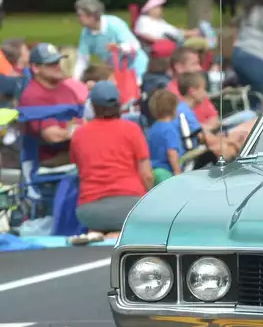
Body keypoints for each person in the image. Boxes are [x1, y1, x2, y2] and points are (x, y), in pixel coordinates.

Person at [69, 81, 153, 236]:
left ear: (93, 107)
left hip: (89, 210)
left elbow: (80, 169)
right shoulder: (132, 130)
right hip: (129, 206)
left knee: (100, 229)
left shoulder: (79, 135)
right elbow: (146, 174)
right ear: (119, 104)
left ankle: (97, 234)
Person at [20, 44, 87, 167]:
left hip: (72, 152)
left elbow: (81, 121)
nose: (58, 66)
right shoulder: (33, 96)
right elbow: (53, 136)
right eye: (51, 63)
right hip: (50, 160)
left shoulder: (65, 89)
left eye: (58, 61)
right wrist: (77, 131)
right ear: (35, 68)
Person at [73, 0, 148, 83]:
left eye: (80, 15)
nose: (78, 19)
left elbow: (135, 46)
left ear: (92, 16)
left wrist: (118, 47)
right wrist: (75, 82)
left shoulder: (114, 24)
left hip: (137, 69)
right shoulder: (86, 33)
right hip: (117, 72)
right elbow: (82, 60)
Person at [146, 89, 185, 181]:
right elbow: (172, 152)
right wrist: (177, 172)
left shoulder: (152, 129)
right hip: (166, 173)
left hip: (153, 171)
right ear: (173, 109)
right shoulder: (170, 129)